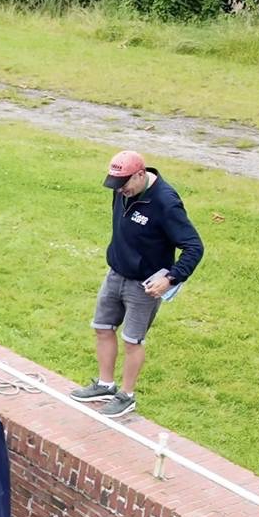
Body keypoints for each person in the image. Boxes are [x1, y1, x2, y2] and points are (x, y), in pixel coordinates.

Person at [71, 151, 205, 417]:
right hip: (115, 274)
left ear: (141, 174)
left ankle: (127, 396)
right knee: (102, 327)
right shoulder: (123, 190)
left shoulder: (166, 203)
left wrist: (170, 278)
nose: (120, 191)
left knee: (132, 340)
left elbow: (193, 246)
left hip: (143, 286)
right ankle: (105, 384)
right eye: (116, 185)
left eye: (125, 184)